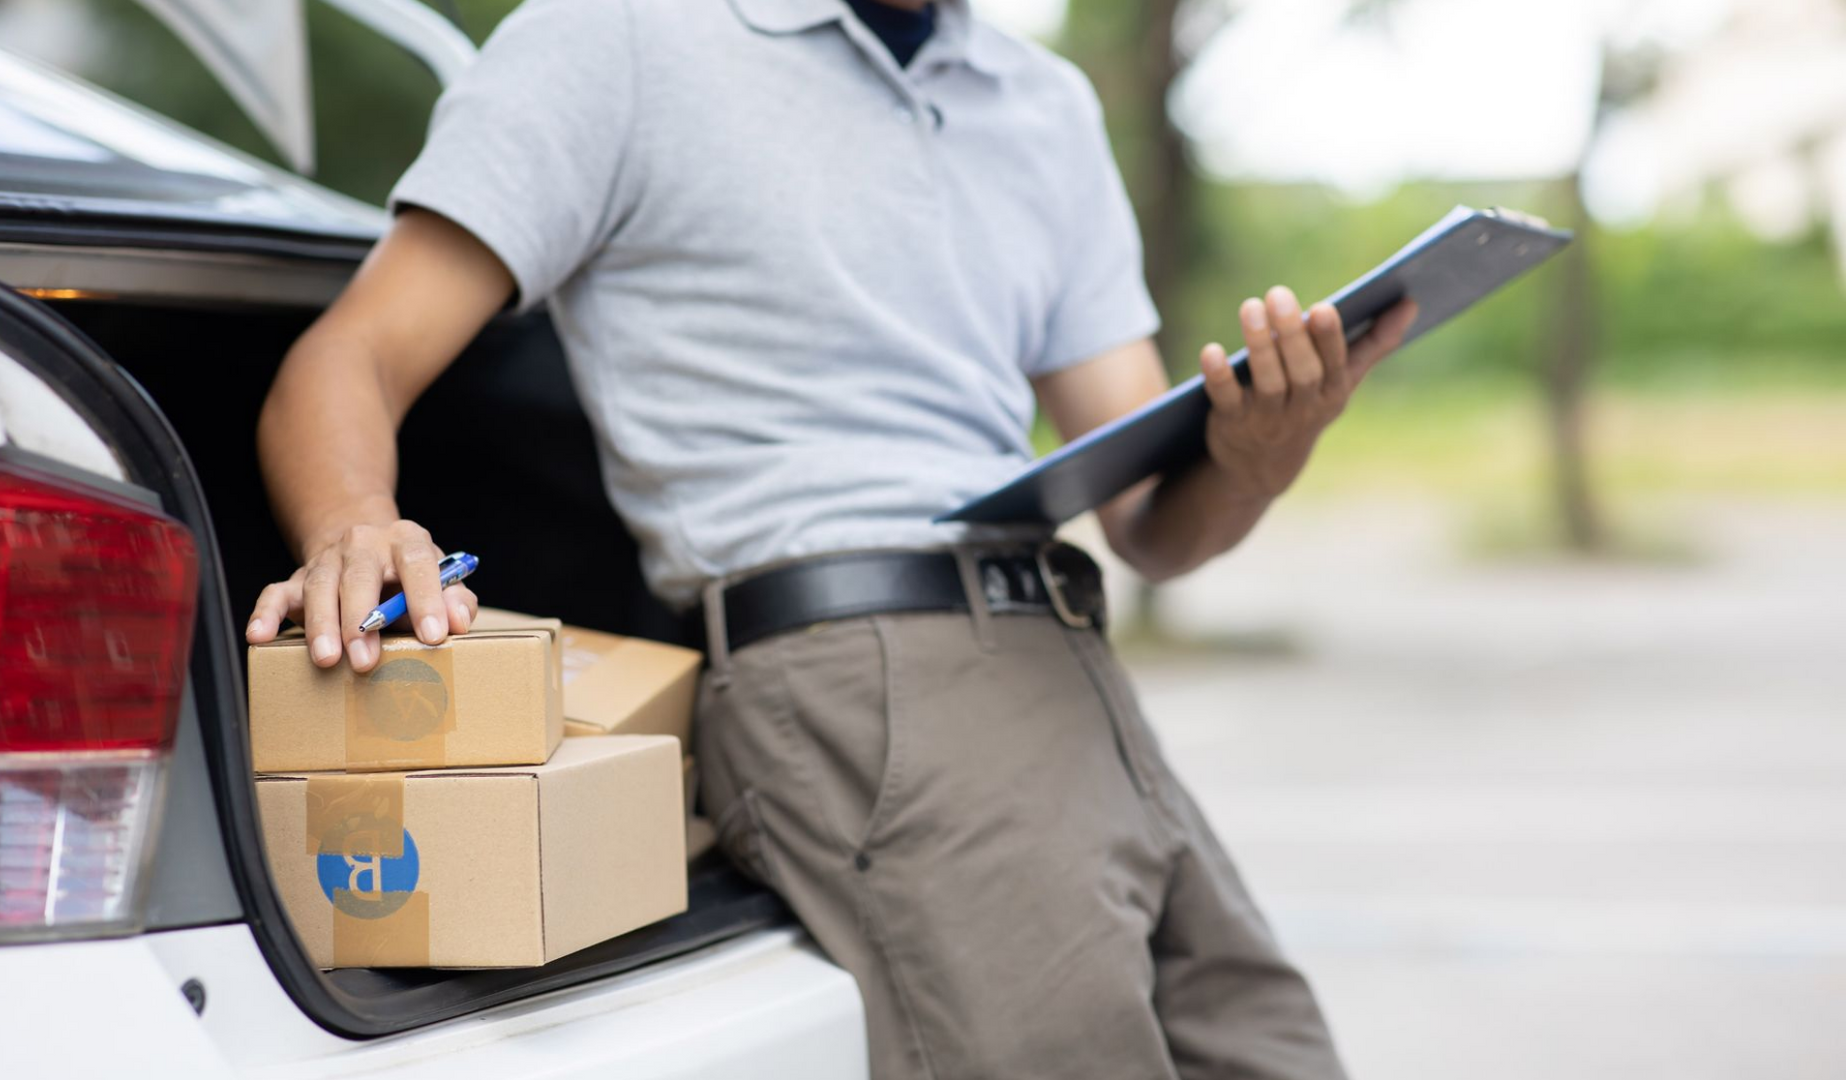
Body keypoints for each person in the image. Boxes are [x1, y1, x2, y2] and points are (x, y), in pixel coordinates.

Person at [243, 0, 1418, 1076]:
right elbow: (349, 358)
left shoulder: (1042, 102)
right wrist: (354, 525)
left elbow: (1153, 528)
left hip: (1068, 662)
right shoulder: (621, 38)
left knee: (1274, 1048)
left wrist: (1262, 455)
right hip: (863, 668)